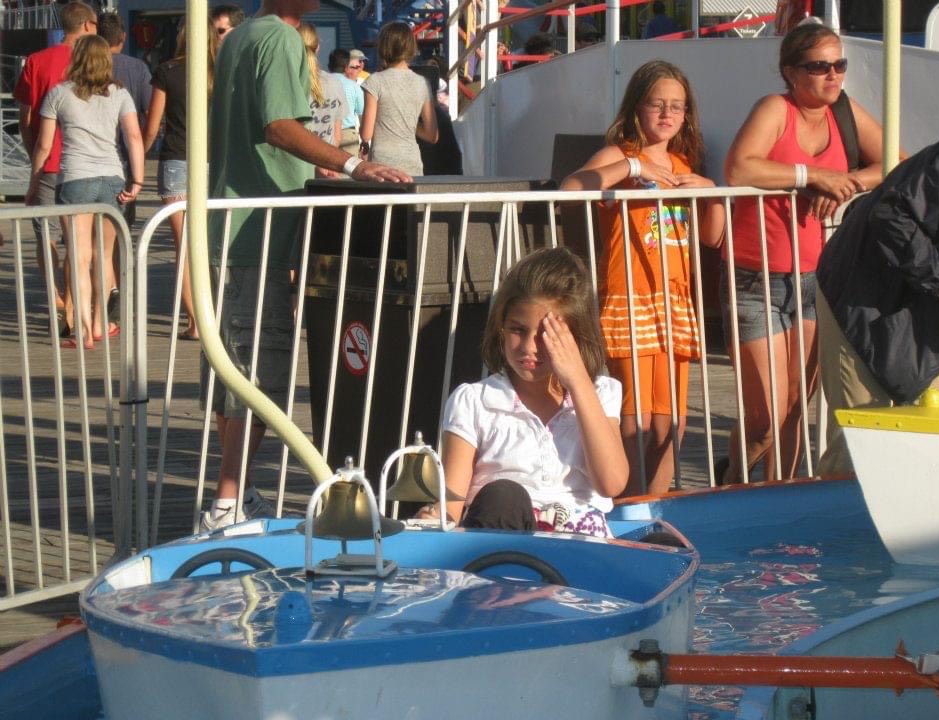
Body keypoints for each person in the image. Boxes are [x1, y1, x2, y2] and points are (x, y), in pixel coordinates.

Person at [201, 0, 411, 530]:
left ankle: (235, 493)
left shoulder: (242, 37)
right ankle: (226, 503)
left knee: (238, 369)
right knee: (259, 370)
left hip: (238, 221)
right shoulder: (279, 39)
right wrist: (353, 163)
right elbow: (277, 126)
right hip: (260, 227)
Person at [720, 21, 885, 484]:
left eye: (840, 65)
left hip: (814, 277)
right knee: (765, 418)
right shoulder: (776, 108)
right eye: (820, 66)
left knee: (796, 408)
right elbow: (739, 167)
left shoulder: (845, 112)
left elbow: (895, 162)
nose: (833, 75)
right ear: (791, 72)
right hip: (756, 276)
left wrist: (847, 182)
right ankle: (735, 479)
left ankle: (776, 499)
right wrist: (812, 175)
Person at [561, 60, 725, 495]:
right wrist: (635, 170)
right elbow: (572, 189)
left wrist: (712, 192)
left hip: (672, 300)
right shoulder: (620, 156)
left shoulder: (682, 162)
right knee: (636, 418)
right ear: (637, 108)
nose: (668, 115)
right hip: (631, 299)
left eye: (678, 107)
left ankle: (656, 502)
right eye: (657, 105)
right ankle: (627, 500)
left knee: (673, 419)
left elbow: (712, 237)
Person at [418, 248, 629, 537]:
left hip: (581, 551)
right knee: (505, 496)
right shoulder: (474, 402)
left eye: (546, 335)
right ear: (500, 328)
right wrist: (430, 518)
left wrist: (579, 382)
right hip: (504, 545)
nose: (530, 347)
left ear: (575, 338)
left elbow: (612, 483)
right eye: (518, 330)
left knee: (667, 548)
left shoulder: (599, 393)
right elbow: (451, 504)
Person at [816, 133, 939, 476]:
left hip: (933, 312)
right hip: (863, 293)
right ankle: (841, 523)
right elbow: (890, 214)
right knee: (858, 443)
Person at [26, 34, 144, 349]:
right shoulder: (119, 93)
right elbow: (133, 136)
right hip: (112, 178)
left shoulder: (59, 94)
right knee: (104, 256)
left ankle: (82, 330)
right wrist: (138, 180)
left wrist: (34, 183)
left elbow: (44, 145)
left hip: (74, 178)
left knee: (78, 257)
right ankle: (101, 322)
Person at [14, 1, 98, 331]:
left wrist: (33, 149)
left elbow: (26, 118)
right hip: (85, 162)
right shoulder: (93, 61)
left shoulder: (36, 61)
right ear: (89, 25)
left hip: (48, 162)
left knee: (46, 237)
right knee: (76, 241)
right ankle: (75, 310)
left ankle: (57, 299)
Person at [142, 19, 218, 341]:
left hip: (176, 159)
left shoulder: (168, 71)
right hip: (214, 163)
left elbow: (152, 126)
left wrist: (135, 163)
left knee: (184, 247)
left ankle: (195, 322)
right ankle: (214, 316)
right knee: (211, 244)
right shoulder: (221, 72)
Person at [98, 10, 152, 323]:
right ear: (124, 37)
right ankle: (118, 288)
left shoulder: (81, 68)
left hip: (86, 163)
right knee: (118, 233)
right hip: (124, 164)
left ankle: (96, 298)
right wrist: (140, 157)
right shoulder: (137, 68)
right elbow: (148, 115)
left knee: (88, 240)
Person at [359, 21, 439, 176]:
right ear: (411, 48)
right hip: (411, 162)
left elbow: (366, 134)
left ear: (383, 48)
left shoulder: (375, 81)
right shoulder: (422, 83)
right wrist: (407, 124)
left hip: (382, 163)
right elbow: (432, 135)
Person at [298, 22, 348, 176]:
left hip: (299, 167)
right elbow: (337, 136)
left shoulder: (291, 82)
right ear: (318, 47)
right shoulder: (335, 83)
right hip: (328, 165)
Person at [329, 47, 364, 157]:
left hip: (327, 133)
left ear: (330, 65)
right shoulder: (353, 86)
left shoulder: (321, 83)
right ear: (346, 67)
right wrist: (364, 140)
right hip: (348, 135)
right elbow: (361, 114)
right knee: (349, 171)